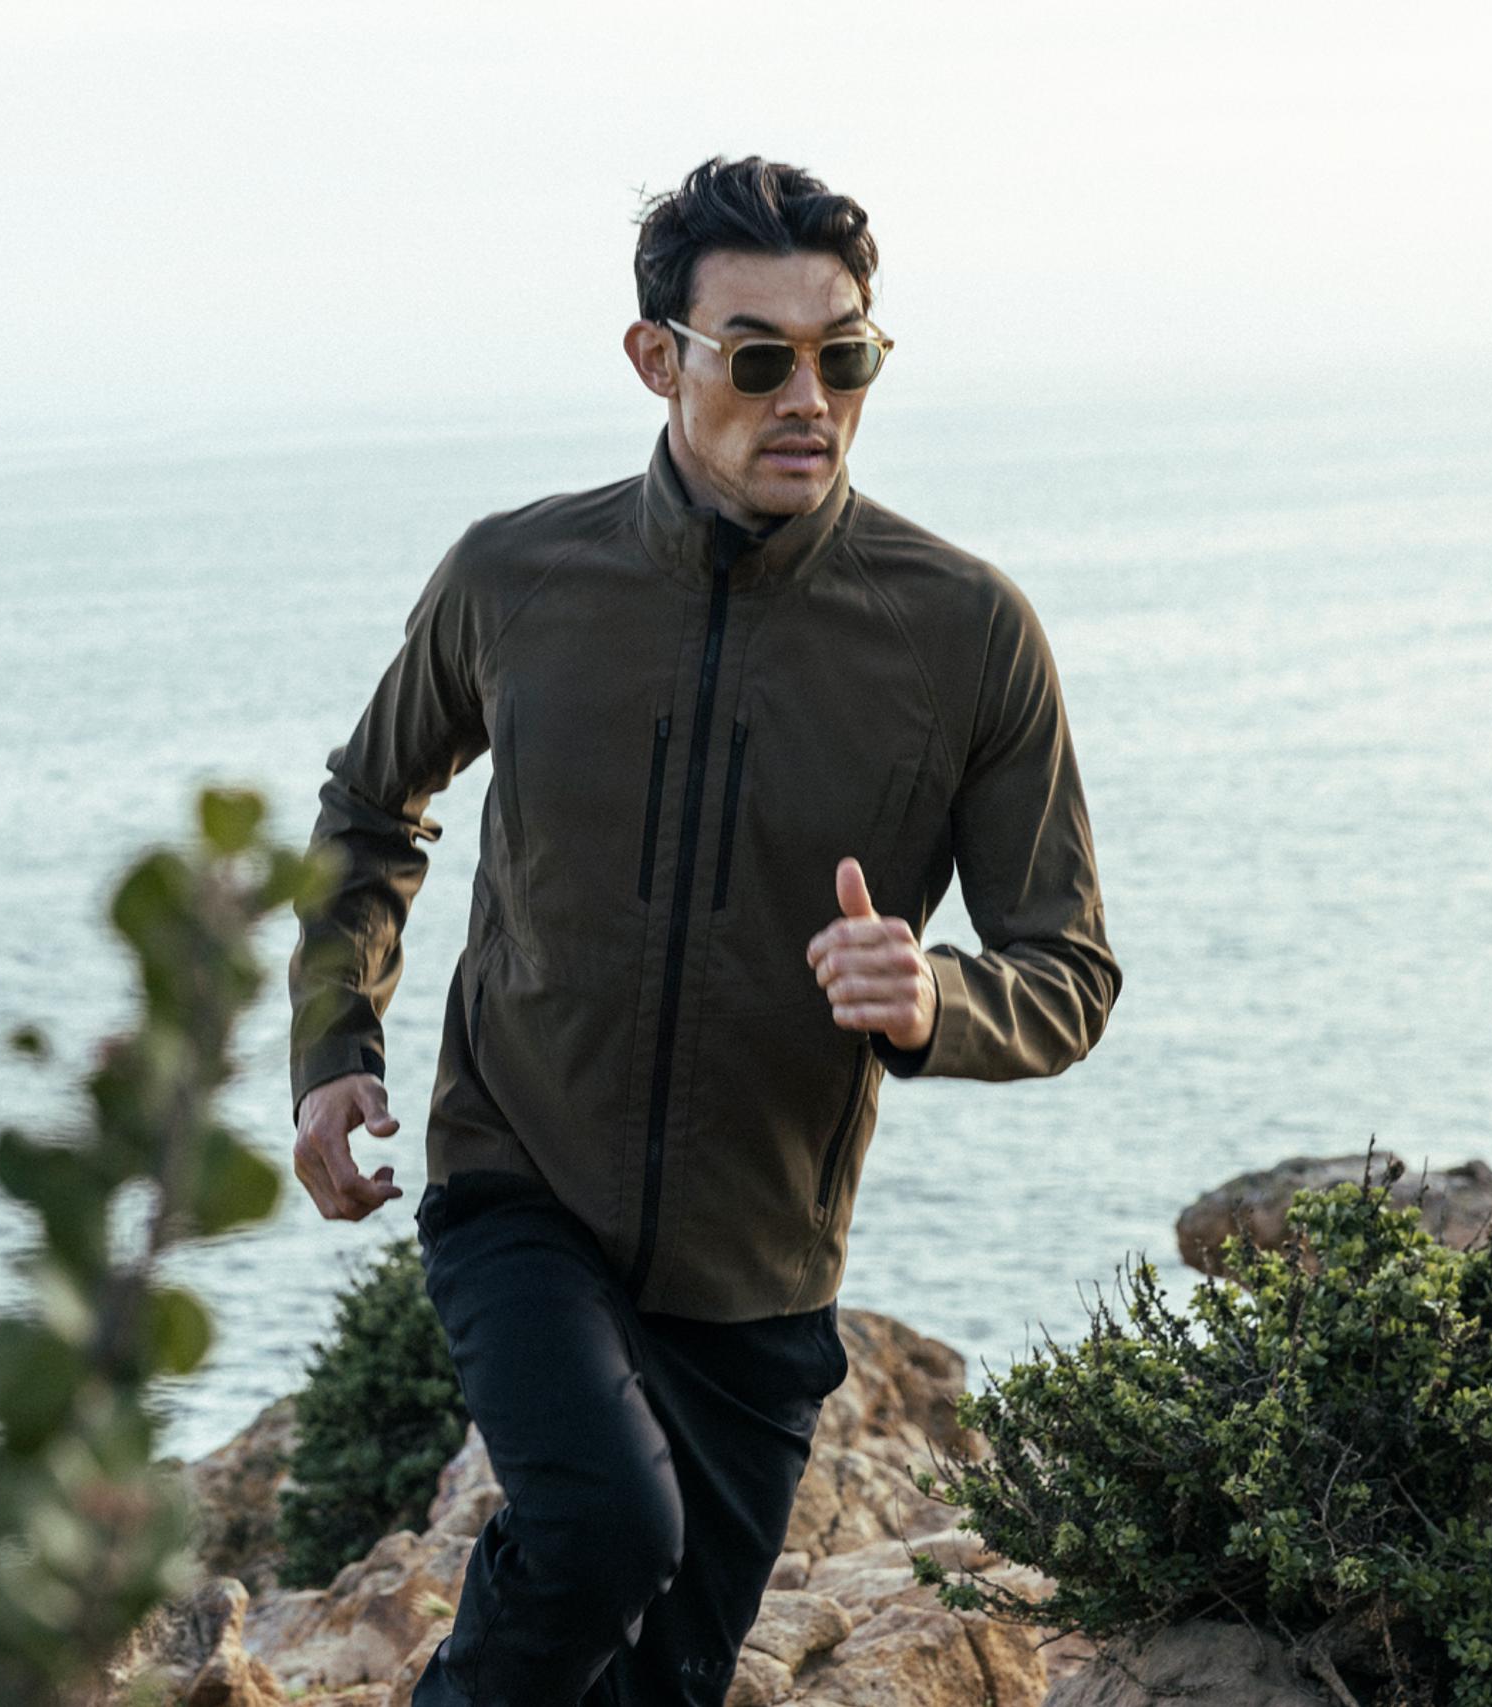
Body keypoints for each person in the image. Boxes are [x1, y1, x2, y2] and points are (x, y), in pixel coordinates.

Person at [285, 154, 1122, 1706]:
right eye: (760, 357)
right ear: (657, 360)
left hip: (759, 1274)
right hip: (516, 1183)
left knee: (654, 1681)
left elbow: (1067, 972)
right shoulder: (517, 577)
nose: (809, 397)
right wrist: (337, 1042)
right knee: (602, 1529)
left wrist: (931, 998)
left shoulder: (967, 633)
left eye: (846, 355)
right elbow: (369, 807)